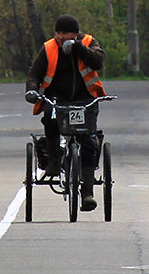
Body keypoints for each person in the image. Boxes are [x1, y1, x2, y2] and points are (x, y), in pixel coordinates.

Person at [24, 14, 106, 212]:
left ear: (75, 33)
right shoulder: (49, 48)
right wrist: (32, 90)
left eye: (65, 33)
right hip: (56, 99)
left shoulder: (88, 42)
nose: (60, 36)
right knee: (50, 120)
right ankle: (54, 159)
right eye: (58, 32)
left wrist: (77, 47)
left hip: (85, 100)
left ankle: (87, 193)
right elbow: (35, 73)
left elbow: (97, 62)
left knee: (87, 141)